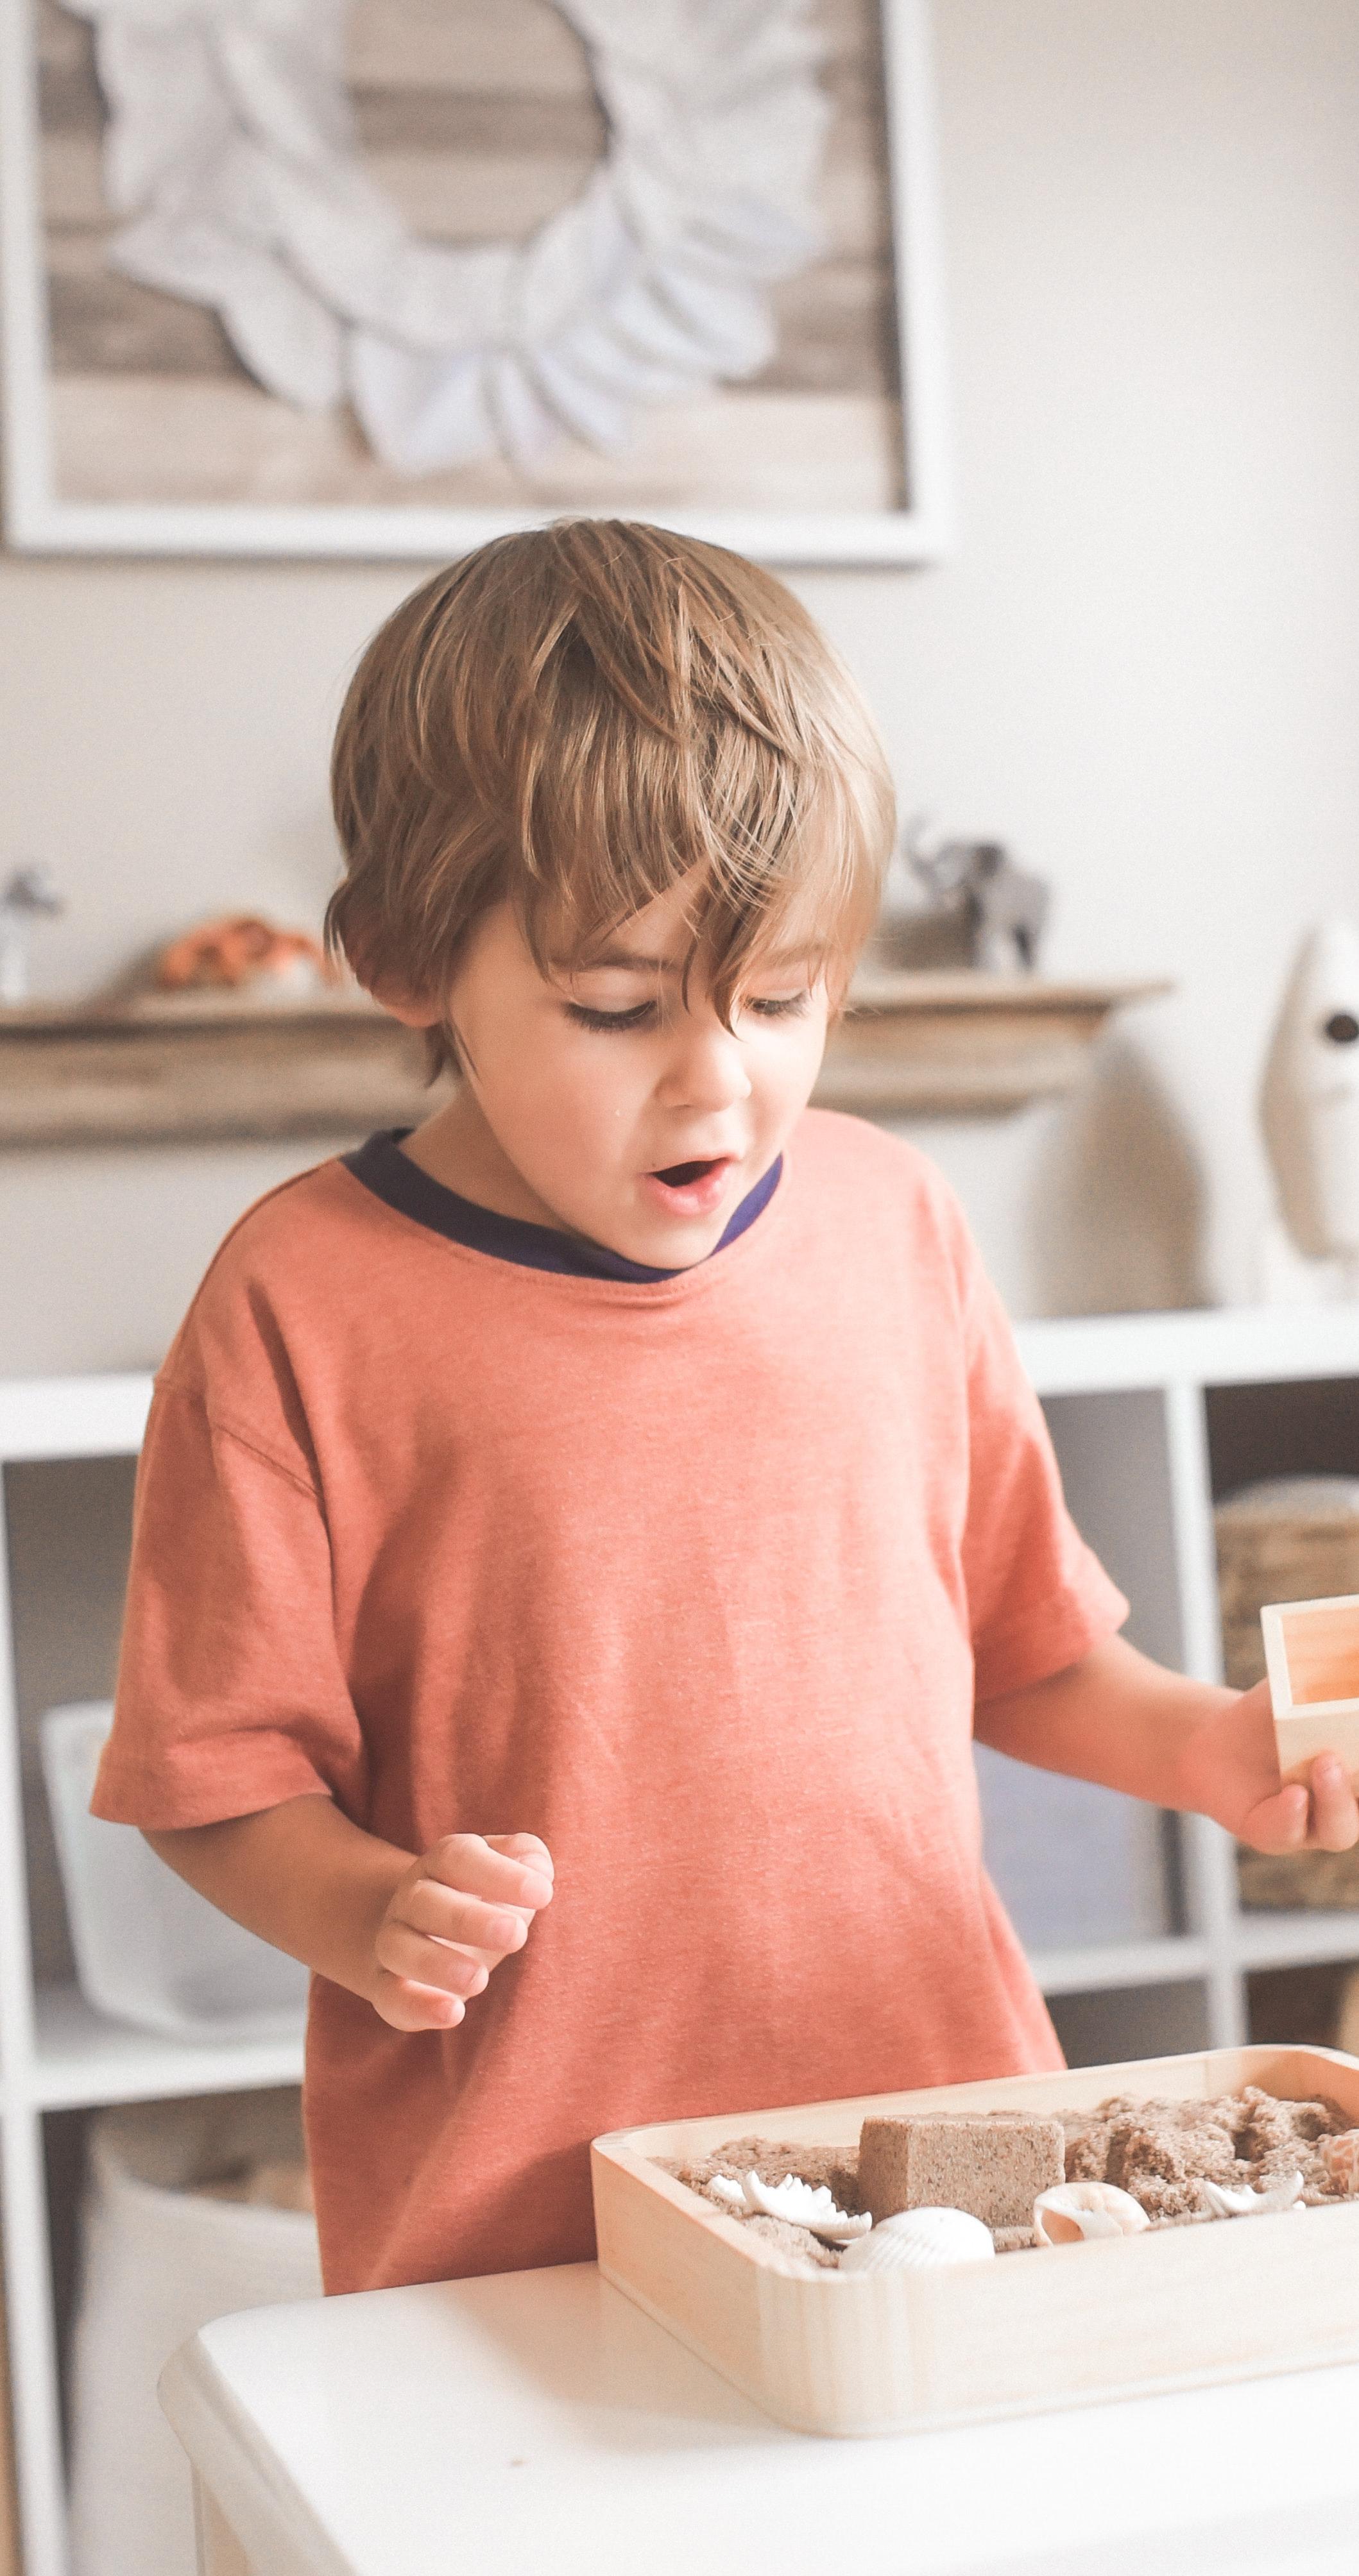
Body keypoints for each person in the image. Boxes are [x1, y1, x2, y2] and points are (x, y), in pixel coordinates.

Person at [94, 521, 1359, 2297]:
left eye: (782, 1000)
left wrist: (1212, 1754)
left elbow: (1022, 1647)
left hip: (947, 2166)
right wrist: (367, 1912)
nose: (719, 1079)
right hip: (526, 2222)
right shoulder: (299, 1301)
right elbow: (210, 1777)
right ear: (403, 962)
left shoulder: (896, 1222)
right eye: (615, 1008)